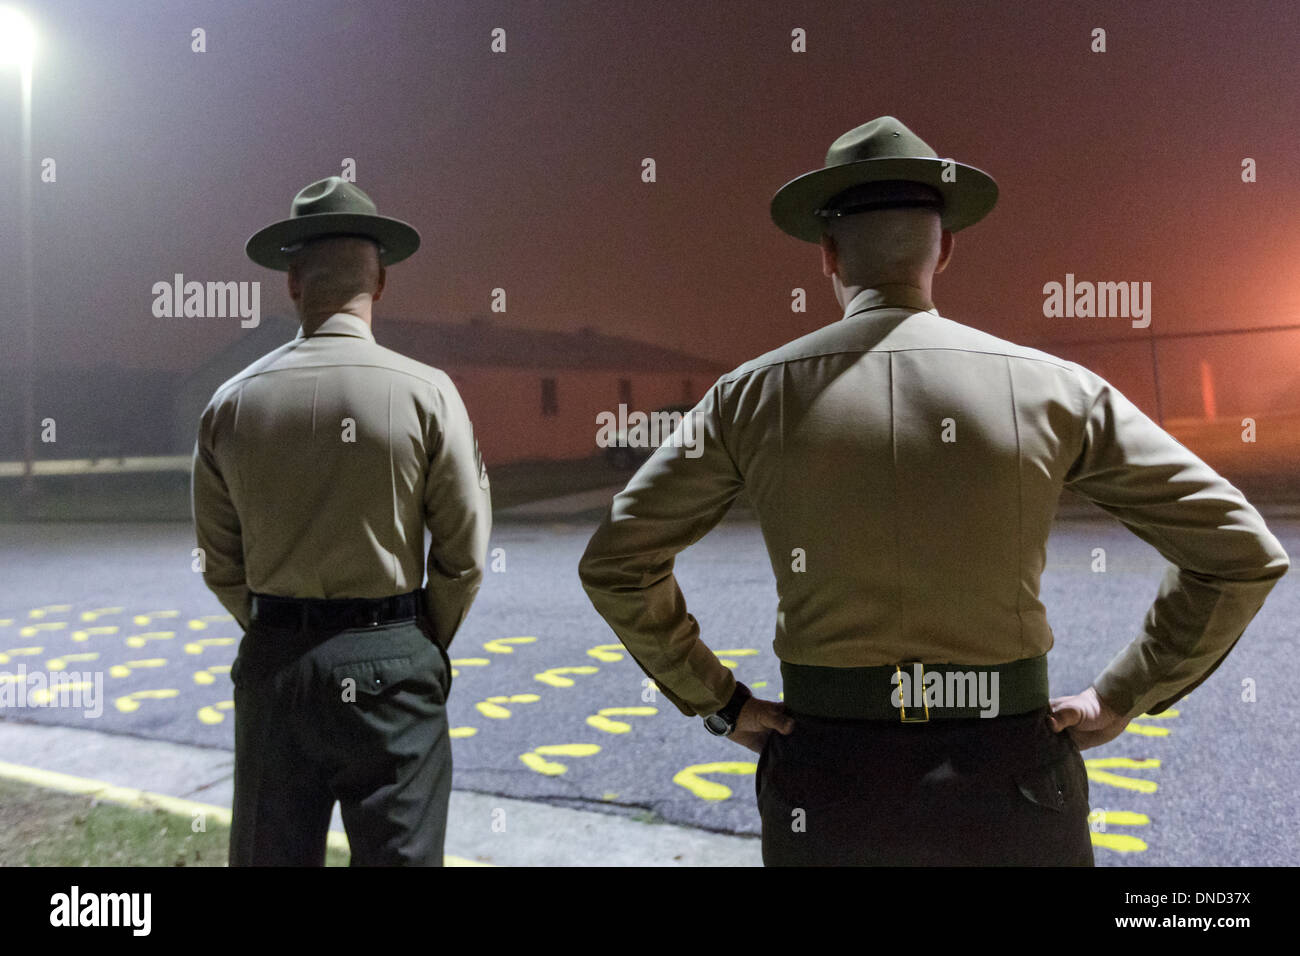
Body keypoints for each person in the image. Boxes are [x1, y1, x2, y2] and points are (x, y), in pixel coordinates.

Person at [577, 117, 1289, 865]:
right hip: (1010, 778)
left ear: (827, 253)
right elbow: (1239, 552)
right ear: (944, 247)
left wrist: (720, 702)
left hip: (828, 781)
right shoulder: (1053, 388)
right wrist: (1122, 695)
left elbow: (618, 564)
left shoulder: (748, 397)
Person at [191, 177, 491, 866]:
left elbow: (217, 560)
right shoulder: (427, 392)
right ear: (380, 281)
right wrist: (416, 641)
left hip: (276, 665)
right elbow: (465, 555)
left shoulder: (229, 404)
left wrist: (276, 628)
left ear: (292, 281)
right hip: (391, 654)